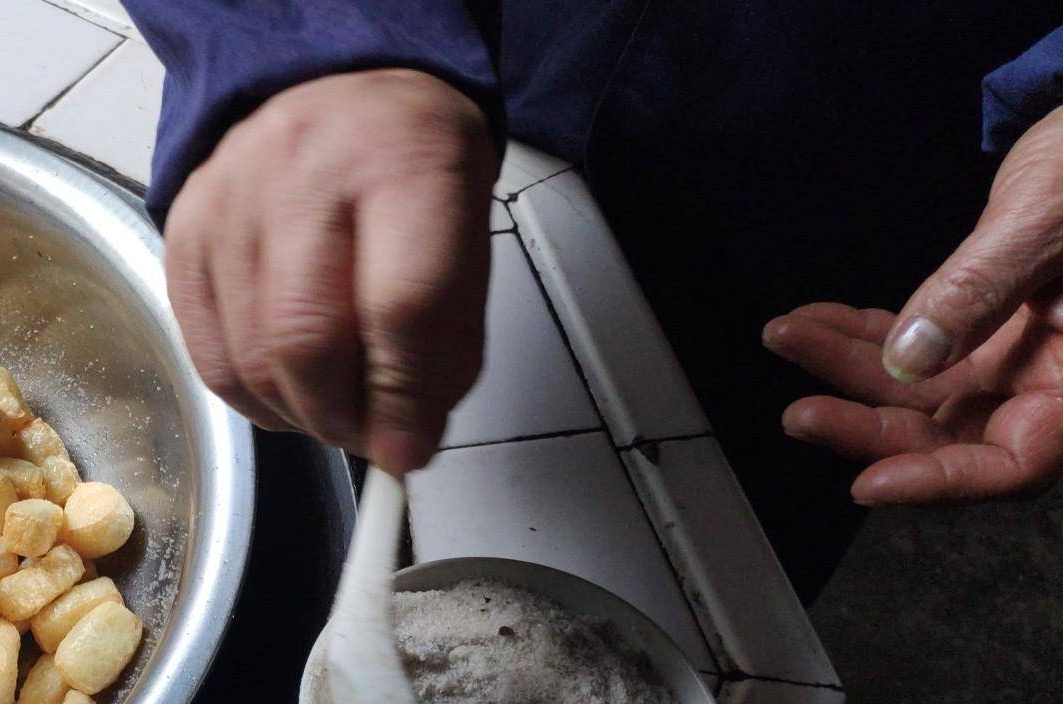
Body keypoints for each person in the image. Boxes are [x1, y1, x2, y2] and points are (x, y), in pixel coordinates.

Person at [116, 1, 1063, 596]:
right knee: (366, 367)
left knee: (732, 532)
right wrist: (308, 31)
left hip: (890, 152)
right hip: (492, 54)